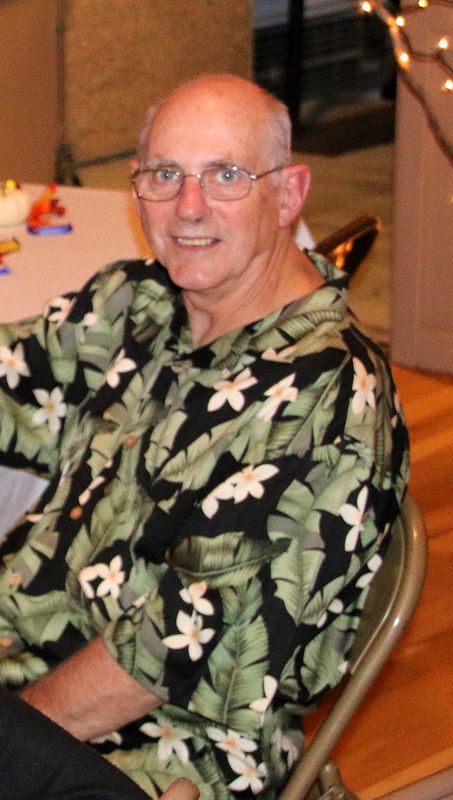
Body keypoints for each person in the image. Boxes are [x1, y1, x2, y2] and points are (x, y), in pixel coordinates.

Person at [0, 73, 409, 799]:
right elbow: (12, 379)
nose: (188, 207)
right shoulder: (140, 302)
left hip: (156, 746)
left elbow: (161, 660)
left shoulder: (324, 401)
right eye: (165, 174)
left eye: (226, 175)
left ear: (288, 195)